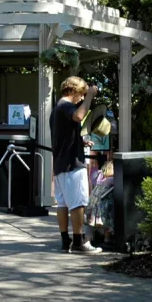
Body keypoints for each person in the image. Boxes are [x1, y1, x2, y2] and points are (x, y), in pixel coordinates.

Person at [51, 75, 102, 254]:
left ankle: (66, 241)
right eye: (81, 94)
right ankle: (79, 242)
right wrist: (90, 97)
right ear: (73, 90)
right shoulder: (66, 105)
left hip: (60, 163)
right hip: (73, 163)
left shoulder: (57, 108)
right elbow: (79, 115)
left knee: (63, 204)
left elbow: (64, 134)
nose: (81, 98)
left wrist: (81, 141)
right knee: (78, 203)